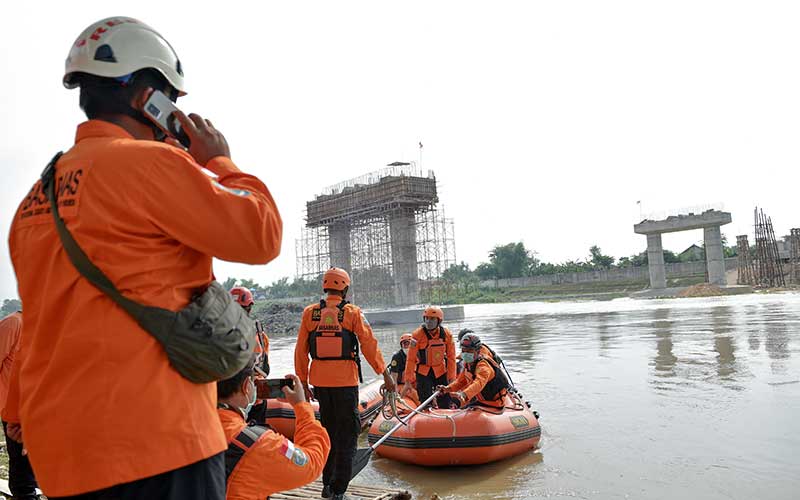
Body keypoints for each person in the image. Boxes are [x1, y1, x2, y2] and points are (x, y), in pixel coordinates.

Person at [7, 17, 282, 498]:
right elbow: (261, 233)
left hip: (64, 456)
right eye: (171, 101)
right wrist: (218, 159)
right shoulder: (149, 164)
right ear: (144, 99)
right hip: (158, 442)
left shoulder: (32, 202)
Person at [294, 267, 396, 500]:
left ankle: (327, 484)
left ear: (325, 287)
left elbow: (301, 350)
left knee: (328, 433)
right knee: (348, 436)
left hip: (320, 384)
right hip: (345, 384)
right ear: (345, 288)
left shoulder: (310, 314)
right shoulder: (352, 313)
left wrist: (302, 380)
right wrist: (385, 374)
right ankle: (338, 489)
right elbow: (369, 344)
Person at [217, 358, 330, 499]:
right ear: (246, 386)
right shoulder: (259, 444)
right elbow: (312, 461)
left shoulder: (185, 424)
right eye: (254, 382)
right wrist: (301, 406)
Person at [0, 311, 39, 500]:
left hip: (38, 408)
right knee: (22, 473)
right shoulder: (13, 324)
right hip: (13, 410)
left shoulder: (44, 327)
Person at [437, 333, 512, 409]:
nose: (466, 353)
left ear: (478, 352)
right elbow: (460, 381)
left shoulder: (483, 366)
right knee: (458, 405)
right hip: (482, 400)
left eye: (469, 351)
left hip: (494, 403)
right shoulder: (468, 364)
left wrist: (464, 394)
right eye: (464, 350)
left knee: (465, 412)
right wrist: (447, 389)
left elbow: (478, 383)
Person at [401, 306, 456, 408]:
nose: (428, 322)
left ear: (439, 321)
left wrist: (451, 378)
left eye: (432, 319)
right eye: (427, 318)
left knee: (445, 400)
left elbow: (451, 357)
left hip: (440, 371)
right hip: (423, 372)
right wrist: (408, 381)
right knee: (425, 401)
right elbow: (411, 359)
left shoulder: (447, 334)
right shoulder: (417, 335)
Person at [230, 286, 270, 424]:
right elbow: (265, 366)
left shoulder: (222, 335)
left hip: (235, 398)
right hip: (256, 394)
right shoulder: (259, 333)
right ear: (250, 307)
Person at [388, 333, 419, 405]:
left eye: (408, 343)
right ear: (401, 345)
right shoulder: (397, 357)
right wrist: (395, 394)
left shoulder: (417, 354)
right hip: (402, 385)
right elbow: (394, 378)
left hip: (415, 383)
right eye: (404, 343)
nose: (406, 346)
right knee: (416, 397)